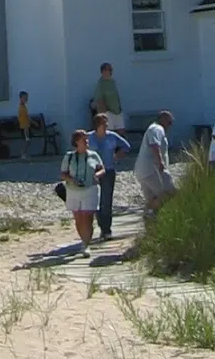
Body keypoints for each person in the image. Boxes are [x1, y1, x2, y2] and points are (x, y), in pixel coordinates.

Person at [59, 128, 105, 252]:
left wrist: (97, 175)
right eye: (83, 139)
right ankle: (84, 242)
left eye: (87, 139)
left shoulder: (93, 155)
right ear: (76, 141)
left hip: (90, 189)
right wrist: (72, 179)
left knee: (88, 216)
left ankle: (86, 243)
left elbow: (102, 169)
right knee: (78, 217)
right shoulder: (69, 157)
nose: (86, 141)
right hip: (73, 190)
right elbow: (63, 174)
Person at [87, 112, 131, 240]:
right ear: (97, 125)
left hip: (108, 170)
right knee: (94, 200)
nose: (106, 125)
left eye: (106, 123)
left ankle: (106, 230)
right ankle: (100, 224)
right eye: (104, 123)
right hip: (93, 172)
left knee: (106, 201)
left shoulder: (112, 136)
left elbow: (126, 146)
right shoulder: (89, 137)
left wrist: (117, 156)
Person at [134, 108, 176, 217]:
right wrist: (160, 162)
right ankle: (149, 211)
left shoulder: (153, 128)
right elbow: (154, 145)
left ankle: (150, 215)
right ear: (163, 120)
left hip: (143, 170)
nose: (170, 126)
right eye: (169, 122)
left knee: (152, 197)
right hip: (152, 169)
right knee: (169, 193)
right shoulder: (157, 129)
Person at [90, 62, 124, 130]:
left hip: (117, 111)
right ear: (103, 71)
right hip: (108, 112)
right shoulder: (101, 84)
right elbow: (99, 100)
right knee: (109, 132)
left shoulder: (113, 82)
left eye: (111, 70)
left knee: (121, 130)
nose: (111, 72)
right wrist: (104, 115)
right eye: (109, 70)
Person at [16, 91, 32, 157]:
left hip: (26, 126)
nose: (26, 99)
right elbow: (24, 117)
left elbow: (26, 116)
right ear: (21, 98)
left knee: (27, 140)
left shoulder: (23, 107)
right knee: (27, 140)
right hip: (24, 126)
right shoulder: (21, 108)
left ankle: (24, 153)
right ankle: (23, 152)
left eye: (27, 97)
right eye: (25, 98)